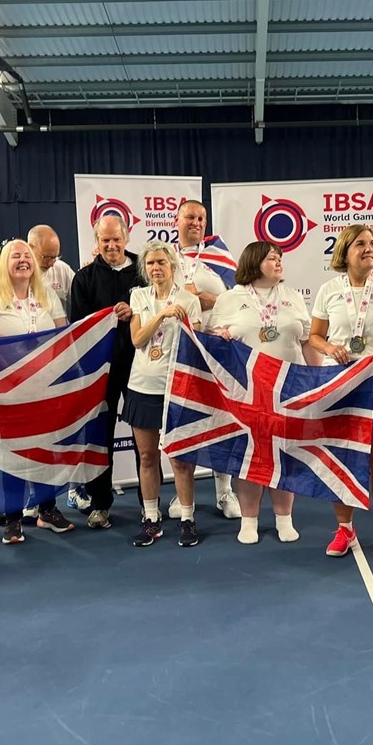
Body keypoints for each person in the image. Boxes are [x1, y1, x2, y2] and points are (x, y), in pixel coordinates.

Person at [308, 224, 373, 561]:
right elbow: (314, 336)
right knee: (342, 461)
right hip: (341, 388)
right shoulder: (329, 290)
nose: (369, 248)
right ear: (344, 251)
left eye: (372, 243)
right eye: (360, 244)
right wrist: (330, 348)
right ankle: (345, 529)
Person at [210, 241, 316, 544]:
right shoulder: (229, 299)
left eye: (280, 257)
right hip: (247, 393)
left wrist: (316, 380)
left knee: (284, 457)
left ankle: (284, 518)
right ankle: (249, 519)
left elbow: (307, 341)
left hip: (288, 390)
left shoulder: (293, 296)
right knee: (249, 457)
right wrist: (221, 337)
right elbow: (216, 348)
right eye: (272, 258)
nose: (279, 262)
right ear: (255, 263)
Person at [0, 239, 71, 544]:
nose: (23, 260)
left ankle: (47, 509)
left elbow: (63, 337)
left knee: (46, 452)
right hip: (8, 393)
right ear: (4, 263)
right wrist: (19, 376)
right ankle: (13, 519)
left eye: (27, 255)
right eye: (15, 256)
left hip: (44, 390)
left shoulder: (48, 296)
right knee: (11, 456)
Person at [67, 215, 145, 527]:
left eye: (116, 240)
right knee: (101, 437)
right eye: (105, 241)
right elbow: (78, 328)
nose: (111, 246)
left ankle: (148, 503)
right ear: (96, 242)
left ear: (126, 239)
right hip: (101, 370)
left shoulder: (145, 269)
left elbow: (160, 307)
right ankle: (100, 503)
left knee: (145, 438)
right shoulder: (84, 278)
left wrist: (135, 311)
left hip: (142, 366)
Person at [126, 241, 202, 548]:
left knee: (181, 460)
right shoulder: (138, 296)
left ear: (172, 266)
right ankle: (152, 519)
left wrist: (182, 320)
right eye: (151, 263)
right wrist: (161, 315)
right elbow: (137, 340)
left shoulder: (189, 300)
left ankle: (187, 518)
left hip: (178, 388)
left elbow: (197, 347)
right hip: (142, 386)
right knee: (147, 457)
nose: (156, 268)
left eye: (161, 262)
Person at [171, 200, 240, 520]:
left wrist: (211, 298)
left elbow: (241, 297)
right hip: (179, 349)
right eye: (190, 217)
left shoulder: (220, 254)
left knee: (221, 419)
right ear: (177, 219)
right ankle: (183, 493)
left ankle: (225, 492)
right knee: (184, 420)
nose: (196, 223)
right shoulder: (165, 256)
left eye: (201, 218)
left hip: (216, 348)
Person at [28, 224, 75, 312]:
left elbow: (82, 298)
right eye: (46, 257)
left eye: (55, 257)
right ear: (30, 247)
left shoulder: (62, 269)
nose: (51, 264)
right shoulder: (19, 275)